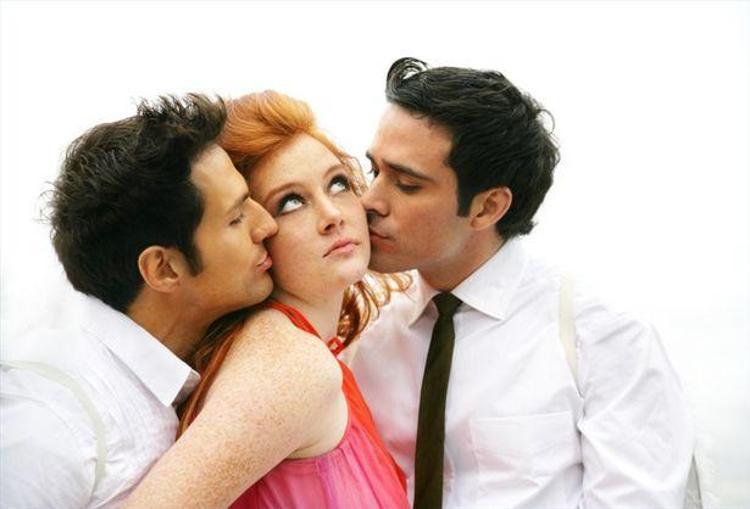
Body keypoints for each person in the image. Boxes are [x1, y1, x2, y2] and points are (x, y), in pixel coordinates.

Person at [350, 57, 695, 509]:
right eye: (374, 171)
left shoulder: (603, 336)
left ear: (487, 207)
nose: (369, 201)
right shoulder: (367, 338)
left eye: (406, 184)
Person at [124, 91, 410, 509]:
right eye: (291, 202)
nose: (332, 214)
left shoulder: (304, 352)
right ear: (253, 232)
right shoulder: (291, 365)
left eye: (338, 183)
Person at [0, 94, 278, 508]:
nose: (267, 225)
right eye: (236, 218)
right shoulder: (54, 424)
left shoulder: (179, 379)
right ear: (163, 269)